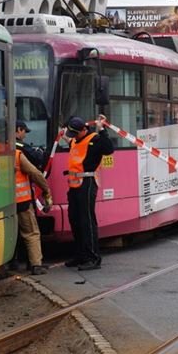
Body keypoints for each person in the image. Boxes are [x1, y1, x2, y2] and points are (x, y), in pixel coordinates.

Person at [64, 115, 114, 270]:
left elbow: (109, 149)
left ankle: (93, 257)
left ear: (84, 129)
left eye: (76, 133)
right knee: (75, 220)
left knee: (87, 221)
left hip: (87, 183)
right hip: (74, 185)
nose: (73, 137)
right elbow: (69, 141)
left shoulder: (95, 139)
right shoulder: (74, 140)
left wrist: (102, 129)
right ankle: (80, 255)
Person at [15, 134, 52, 275]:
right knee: (31, 232)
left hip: (0, 205)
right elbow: (34, 173)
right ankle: (36, 265)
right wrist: (46, 190)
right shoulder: (17, 155)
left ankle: (4, 267)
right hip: (21, 201)